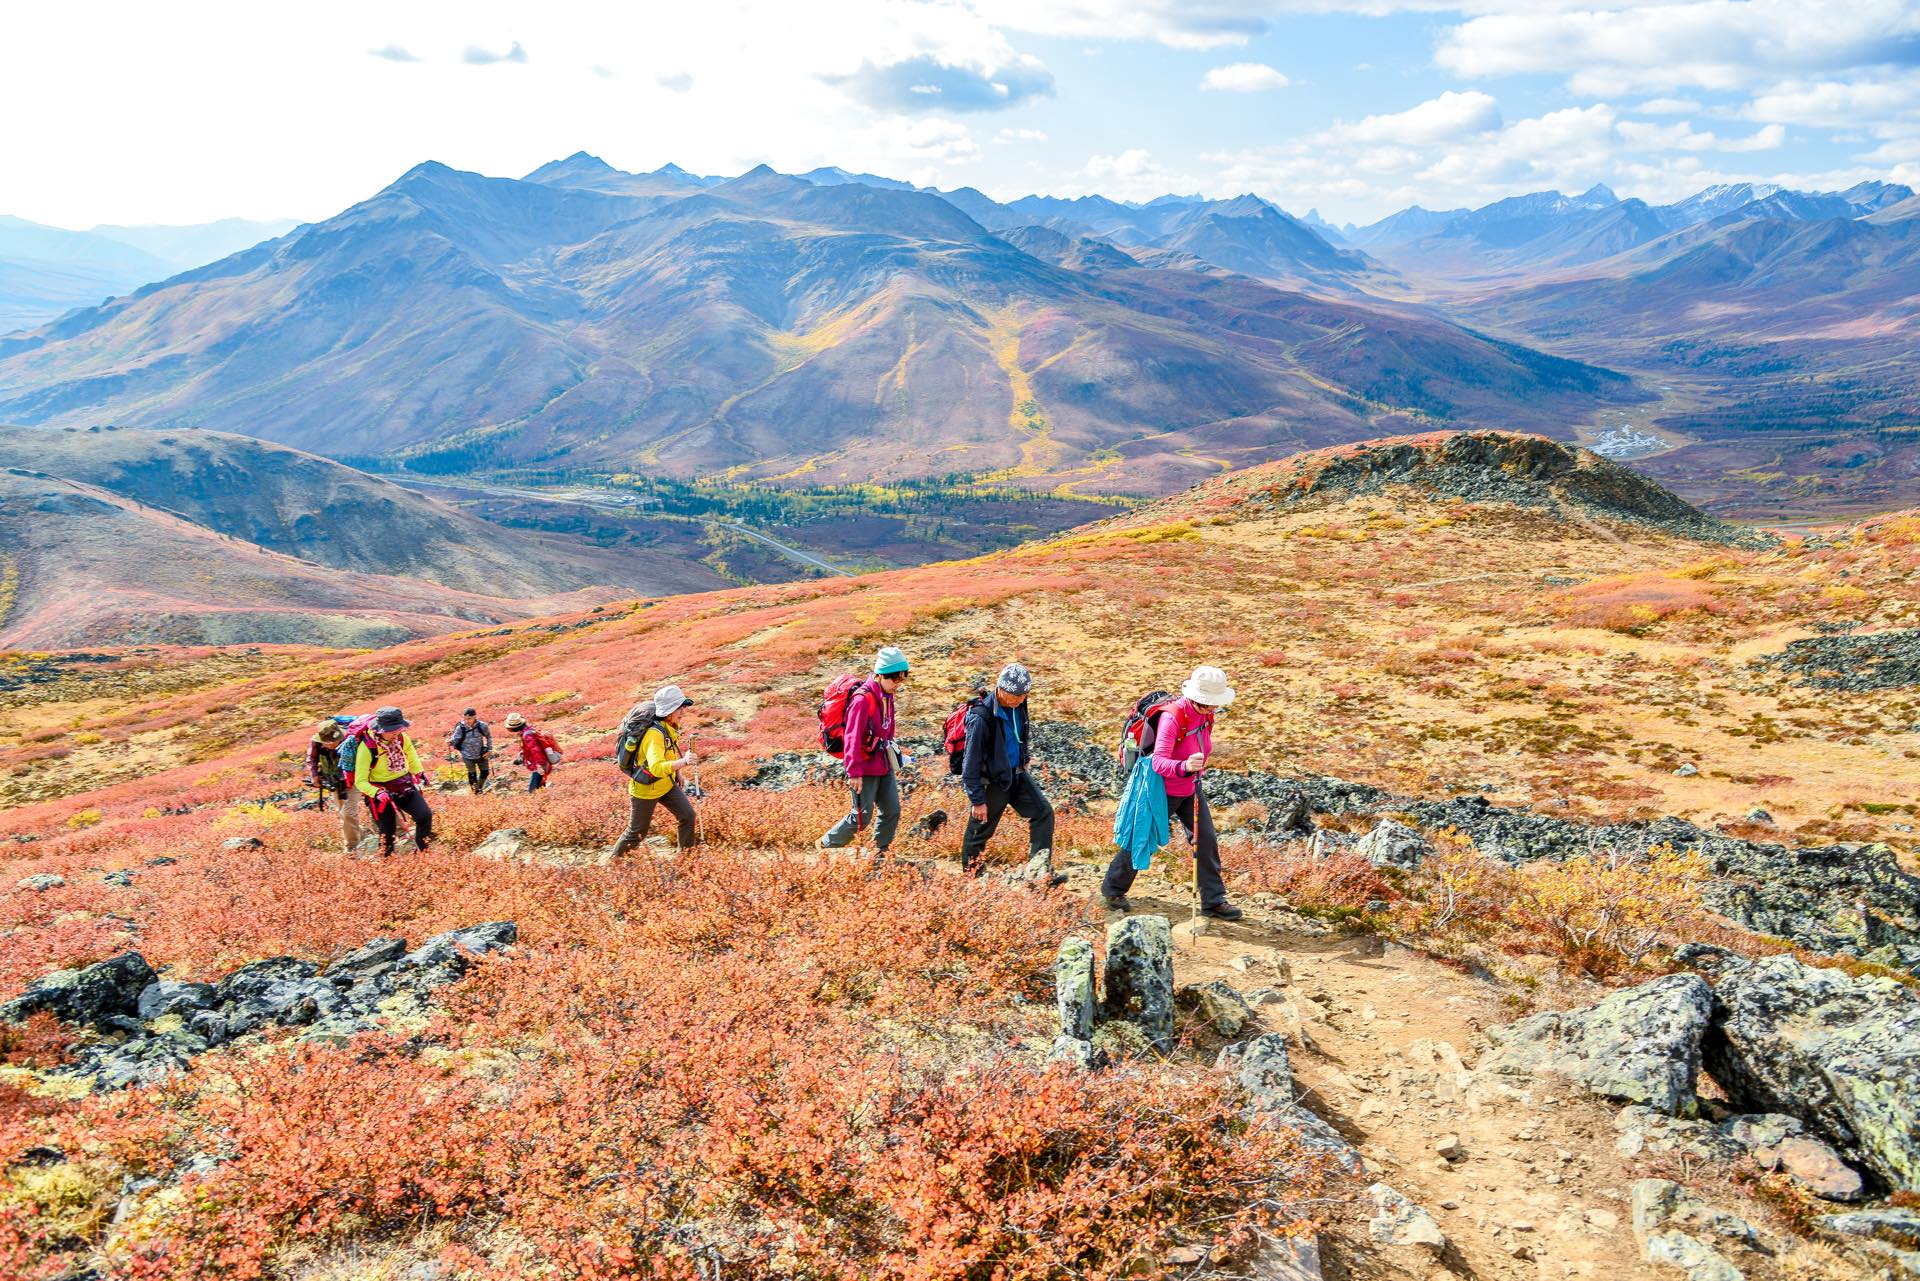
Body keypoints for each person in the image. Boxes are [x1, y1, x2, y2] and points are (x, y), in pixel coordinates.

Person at [1101, 666, 1243, 920]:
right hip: (1161, 790)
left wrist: (1192, 770)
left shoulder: (1206, 716)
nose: (1214, 708)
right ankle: (1113, 890)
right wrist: (1185, 766)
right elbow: (1158, 762)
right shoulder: (1173, 717)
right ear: (1197, 698)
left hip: (1190, 786)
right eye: (1210, 703)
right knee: (1142, 837)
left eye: (1215, 703)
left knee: (1206, 839)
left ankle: (1213, 901)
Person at [959, 663, 1063, 886]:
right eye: (1016, 695)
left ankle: (1040, 873)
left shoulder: (1019, 705)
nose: (1020, 699)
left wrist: (1024, 756)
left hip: (1017, 775)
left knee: (1043, 813)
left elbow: (1020, 735)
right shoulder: (981, 718)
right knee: (979, 831)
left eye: (1024, 695)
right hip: (993, 782)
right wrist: (977, 800)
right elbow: (970, 763)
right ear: (1001, 689)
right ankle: (971, 880)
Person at [818, 646, 910, 859]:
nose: (898, 683)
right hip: (864, 767)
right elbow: (852, 738)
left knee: (892, 810)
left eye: (902, 678)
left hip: (883, 764)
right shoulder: (862, 700)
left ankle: (880, 854)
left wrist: (895, 756)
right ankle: (826, 846)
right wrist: (854, 772)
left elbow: (886, 730)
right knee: (861, 817)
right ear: (880, 674)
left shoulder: (887, 696)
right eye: (895, 678)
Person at [609, 685, 701, 856]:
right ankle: (613, 864)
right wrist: (684, 762)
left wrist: (678, 773)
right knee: (636, 833)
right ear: (669, 710)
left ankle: (686, 861)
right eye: (679, 707)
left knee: (688, 816)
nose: (684, 711)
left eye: (684, 706)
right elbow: (657, 768)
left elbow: (669, 751)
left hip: (666, 784)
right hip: (646, 789)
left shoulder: (669, 726)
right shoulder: (654, 734)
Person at [353, 706, 432, 856]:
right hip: (381, 792)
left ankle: (423, 854)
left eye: (398, 729)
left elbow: (411, 754)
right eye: (392, 730)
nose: (396, 733)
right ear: (380, 730)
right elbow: (360, 781)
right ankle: (387, 861)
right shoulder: (367, 747)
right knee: (387, 832)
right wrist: (377, 793)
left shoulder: (401, 737)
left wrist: (419, 772)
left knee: (424, 816)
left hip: (404, 785)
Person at [305, 719, 366, 852]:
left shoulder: (350, 740)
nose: (331, 745)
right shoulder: (315, 743)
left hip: (353, 780)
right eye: (326, 743)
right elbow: (311, 759)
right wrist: (314, 775)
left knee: (348, 812)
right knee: (343, 814)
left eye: (333, 741)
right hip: (333, 781)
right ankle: (362, 834)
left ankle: (351, 848)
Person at [505, 712, 557, 792]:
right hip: (541, 763)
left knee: (532, 792)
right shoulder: (528, 730)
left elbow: (536, 751)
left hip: (539, 766)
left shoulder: (527, 735)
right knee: (540, 790)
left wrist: (539, 766)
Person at [448, 708, 493, 794]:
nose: (467, 721)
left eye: (469, 719)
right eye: (465, 718)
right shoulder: (460, 728)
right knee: (472, 774)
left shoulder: (482, 726)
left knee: (485, 772)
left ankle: (479, 788)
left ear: (475, 717)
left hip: (481, 754)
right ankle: (476, 792)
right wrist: (450, 742)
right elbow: (455, 739)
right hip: (467, 756)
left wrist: (489, 750)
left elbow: (489, 737)